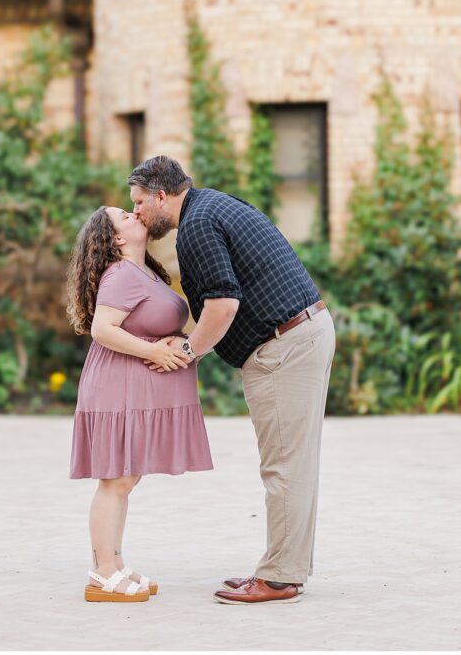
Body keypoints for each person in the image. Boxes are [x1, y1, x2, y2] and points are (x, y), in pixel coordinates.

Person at [129, 155, 336, 606]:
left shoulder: (198, 226)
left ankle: (280, 577)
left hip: (284, 346)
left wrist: (186, 352)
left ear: (162, 195)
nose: (138, 212)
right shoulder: (214, 207)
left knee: (284, 467)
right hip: (300, 334)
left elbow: (223, 305)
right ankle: (284, 569)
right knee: (293, 464)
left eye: (141, 202)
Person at [66, 204, 213, 603]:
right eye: (125, 217)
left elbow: (148, 322)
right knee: (115, 480)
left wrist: (173, 341)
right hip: (118, 387)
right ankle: (102, 573)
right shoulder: (121, 274)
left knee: (125, 479)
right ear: (115, 239)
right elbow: (103, 330)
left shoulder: (144, 271)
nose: (136, 214)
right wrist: (160, 353)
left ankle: (114, 563)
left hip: (132, 387)